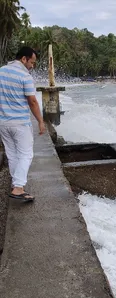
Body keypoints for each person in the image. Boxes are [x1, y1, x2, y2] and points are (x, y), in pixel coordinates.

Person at [0, 47, 45, 202]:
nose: (32, 66)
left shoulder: (1, 71)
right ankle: (19, 188)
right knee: (26, 154)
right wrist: (40, 121)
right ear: (24, 59)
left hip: (3, 123)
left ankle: (16, 184)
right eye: (32, 62)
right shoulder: (24, 76)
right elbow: (32, 101)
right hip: (20, 123)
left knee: (12, 154)